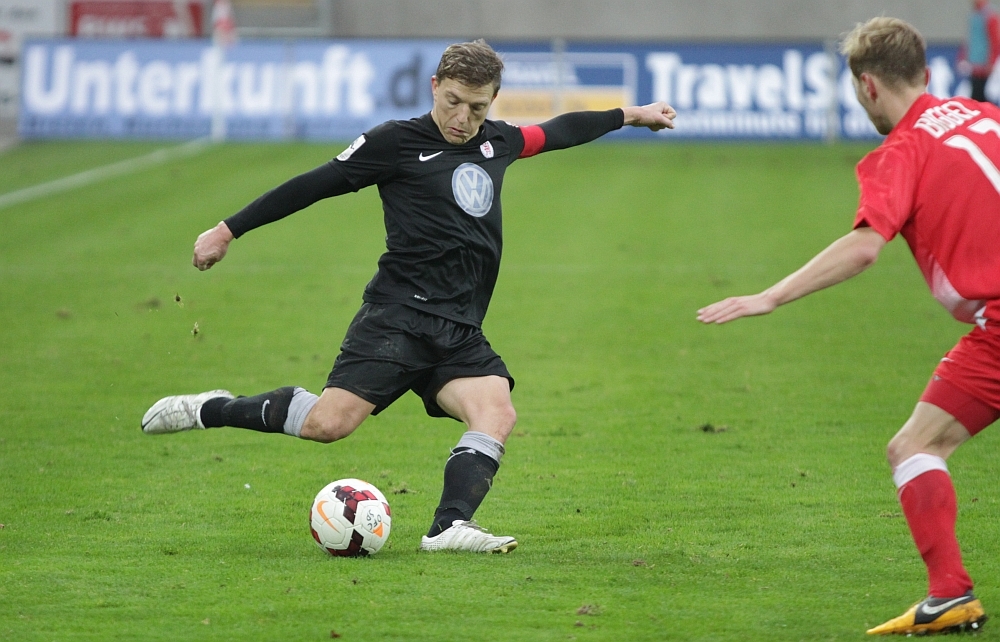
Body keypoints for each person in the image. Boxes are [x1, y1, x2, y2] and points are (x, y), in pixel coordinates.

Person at [142, 40, 676, 554]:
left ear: (492, 101)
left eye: (477, 107)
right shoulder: (394, 142)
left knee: (496, 411)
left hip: (459, 327)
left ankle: (448, 526)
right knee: (328, 424)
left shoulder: (499, 142)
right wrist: (228, 230)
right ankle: (211, 408)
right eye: (453, 102)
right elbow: (313, 184)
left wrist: (633, 115)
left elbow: (560, 130)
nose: (463, 118)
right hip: (399, 317)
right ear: (435, 85)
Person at [698, 17, 997, 637]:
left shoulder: (900, 152)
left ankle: (950, 592)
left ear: (867, 86)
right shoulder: (985, 117)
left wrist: (770, 296)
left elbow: (863, 248)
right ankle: (949, 595)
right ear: (927, 72)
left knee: (915, 449)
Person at [959, 0, 1000, 103]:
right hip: (974, 65)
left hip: (984, 66)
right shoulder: (973, 16)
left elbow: (995, 41)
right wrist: (963, 56)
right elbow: (970, 40)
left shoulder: (990, 17)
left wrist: (991, 63)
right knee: (976, 96)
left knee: (982, 96)